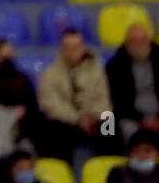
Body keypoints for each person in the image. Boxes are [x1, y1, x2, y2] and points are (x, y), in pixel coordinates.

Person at [38, 28, 120, 161]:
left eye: (75, 46)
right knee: (54, 129)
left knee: (110, 124)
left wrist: (94, 116)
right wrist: (78, 119)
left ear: (83, 47)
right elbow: (51, 104)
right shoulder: (50, 73)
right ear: (61, 49)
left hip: (94, 118)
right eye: (67, 47)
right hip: (69, 121)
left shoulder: (96, 69)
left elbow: (103, 98)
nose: (71, 51)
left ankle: (108, 165)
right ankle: (66, 171)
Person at [105, 22, 159, 145]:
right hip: (131, 117)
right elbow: (116, 101)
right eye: (134, 41)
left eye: (143, 40)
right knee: (110, 124)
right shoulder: (115, 66)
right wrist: (142, 119)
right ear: (127, 44)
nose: (139, 45)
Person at [0, 38, 39, 120]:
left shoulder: (20, 77)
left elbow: (31, 100)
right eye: (4, 56)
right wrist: (10, 113)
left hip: (25, 119)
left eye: (11, 55)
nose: (10, 59)